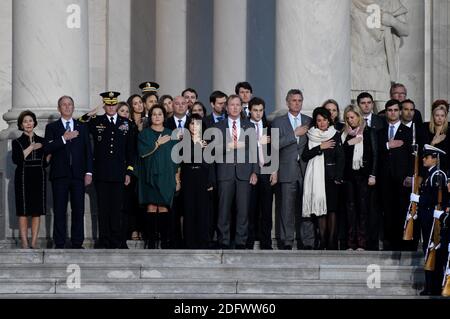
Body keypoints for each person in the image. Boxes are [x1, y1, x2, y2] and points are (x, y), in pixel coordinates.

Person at [81, 91, 134, 249]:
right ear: (104, 105)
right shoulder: (96, 121)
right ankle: (104, 240)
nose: (111, 107)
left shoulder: (126, 123)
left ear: (117, 105)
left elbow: (130, 150)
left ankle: (117, 240)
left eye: (113, 104)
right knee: (103, 208)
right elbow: (79, 124)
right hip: (102, 172)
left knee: (117, 208)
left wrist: (129, 171)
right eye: (108, 104)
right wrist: (87, 115)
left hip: (119, 172)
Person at [44, 96, 93, 249]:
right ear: (59, 108)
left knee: (78, 209)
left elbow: (88, 151)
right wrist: (63, 139)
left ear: (73, 107)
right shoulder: (52, 127)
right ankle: (59, 242)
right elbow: (47, 148)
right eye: (63, 105)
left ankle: (77, 242)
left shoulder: (82, 126)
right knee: (59, 209)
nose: (67, 107)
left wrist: (89, 172)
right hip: (60, 174)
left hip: (78, 175)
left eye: (69, 104)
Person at [214, 95, 258, 249]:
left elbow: (254, 151)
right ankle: (223, 241)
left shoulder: (249, 126)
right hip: (225, 173)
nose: (234, 107)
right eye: (231, 105)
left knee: (243, 210)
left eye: (237, 105)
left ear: (241, 107)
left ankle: (241, 242)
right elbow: (212, 150)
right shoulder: (218, 126)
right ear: (226, 107)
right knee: (223, 210)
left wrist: (255, 172)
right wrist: (229, 146)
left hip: (244, 173)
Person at [271, 89, 313, 250]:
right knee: (286, 208)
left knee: (306, 208)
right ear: (287, 102)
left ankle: (307, 241)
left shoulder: (309, 120)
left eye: (299, 100)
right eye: (294, 100)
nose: (297, 103)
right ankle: (287, 240)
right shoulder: (278, 122)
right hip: (286, 170)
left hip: (305, 170)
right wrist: (294, 134)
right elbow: (274, 144)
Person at [302, 107, 344, 250]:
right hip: (317, 178)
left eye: (324, 120)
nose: (322, 123)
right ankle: (322, 241)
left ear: (329, 120)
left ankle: (332, 243)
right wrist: (320, 146)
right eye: (319, 120)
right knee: (320, 211)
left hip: (332, 178)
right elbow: (305, 155)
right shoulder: (311, 135)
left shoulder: (335, 134)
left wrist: (338, 176)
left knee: (331, 211)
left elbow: (341, 157)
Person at [137, 104, 179, 249]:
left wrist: (177, 178)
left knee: (164, 207)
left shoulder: (170, 134)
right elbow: (142, 153)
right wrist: (157, 144)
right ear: (150, 116)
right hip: (149, 176)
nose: (157, 116)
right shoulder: (144, 134)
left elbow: (176, 159)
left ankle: (165, 240)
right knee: (151, 206)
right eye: (154, 114)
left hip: (166, 176)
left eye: (159, 114)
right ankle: (151, 241)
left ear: (164, 116)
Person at [377, 99, 413, 251]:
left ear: (399, 112)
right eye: (390, 110)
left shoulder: (408, 132)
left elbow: (413, 156)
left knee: (402, 210)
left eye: (395, 110)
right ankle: (389, 243)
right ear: (386, 112)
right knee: (387, 211)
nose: (393, 113)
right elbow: (376, 152)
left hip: (402, 178)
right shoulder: (380, 131)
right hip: (385, 178)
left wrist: (411, 175)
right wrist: (387, 145)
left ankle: (402, 244)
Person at [342, 105, 378, 251]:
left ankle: (362, 243)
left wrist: (373, 174)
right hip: (348, 176)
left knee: (363, 210)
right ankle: (351, 243)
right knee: (350, 209)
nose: (351, 120)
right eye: (348, 118)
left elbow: (375, 154)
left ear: (359, 116)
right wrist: (350, 142)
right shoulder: (344, 133)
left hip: (364, 175)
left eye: (353, 117)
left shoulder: (369, 132)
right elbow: (340, 151)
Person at [413, 144, 448, 295]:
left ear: (434, 159)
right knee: (430, 251)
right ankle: (430, 286)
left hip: (434, 220)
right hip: (428, 219)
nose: (423, 159)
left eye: (426, 157)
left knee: (434, 252)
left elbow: (436, 198)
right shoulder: (430, 174)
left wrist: (419, 199)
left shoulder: (437, 175)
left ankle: (434, 286)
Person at [13, 111, 49, 249]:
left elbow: (45, 163)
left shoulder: (42, 140)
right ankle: (24, 242)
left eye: (30, 120)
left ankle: (33, 242)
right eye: (25, 121)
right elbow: (17, 159)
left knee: (36, 210)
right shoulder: (17, 142)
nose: (28, 123)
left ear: (34, 122)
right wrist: (32, 147)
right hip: (23, 176)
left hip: (38, 176)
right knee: (23, 211)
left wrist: (49, 156)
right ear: (21, 125)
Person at [180, 114, 215, 249]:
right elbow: (184, 159)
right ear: (188, 126)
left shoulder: (207, 142)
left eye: (197, 124)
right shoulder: (183, 141)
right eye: (192, 124)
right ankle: (189, 242)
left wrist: (211, 182)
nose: (195, 126)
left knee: (203, 210)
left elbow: (211, 163)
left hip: (203, 177)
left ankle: (203, 241)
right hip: (188, 177)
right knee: (189, 209)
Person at [247, 97, 277, 250]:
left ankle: (266, 243)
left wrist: (274, 170)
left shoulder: (269, 127)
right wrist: (259, 142)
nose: (258, 114)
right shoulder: (244, 126)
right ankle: (249, 241)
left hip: (266, 170)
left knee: (266, 209)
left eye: (260, 110)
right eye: (255, 110)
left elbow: (275, 150)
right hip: (250, 172)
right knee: (251, 209)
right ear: (250, 111)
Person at [421, 100, 450, 173]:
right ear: (433, 116)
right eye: (437, 115)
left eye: (442, 116)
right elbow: (423, 153)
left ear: (445, 117)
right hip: (428, 169)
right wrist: (433, 143)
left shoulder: (449, 131)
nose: (440, 118)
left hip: (446, 168)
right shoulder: (425, 129)